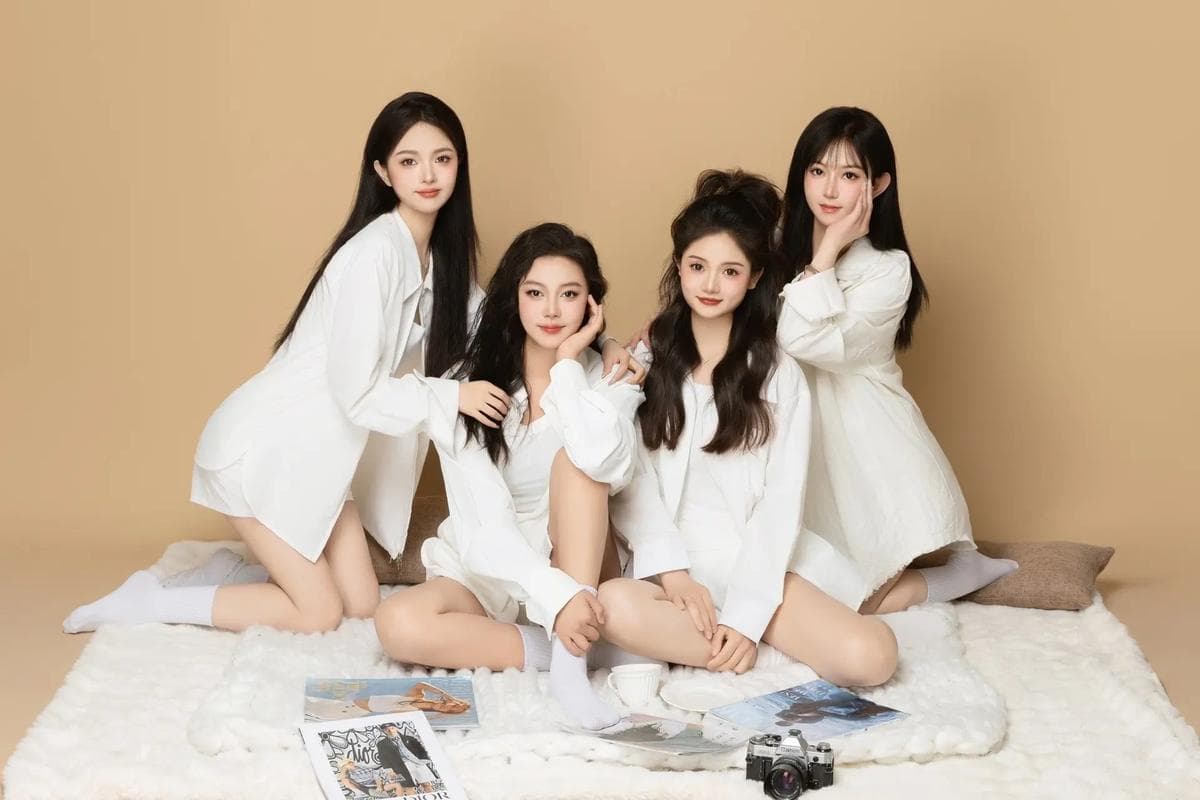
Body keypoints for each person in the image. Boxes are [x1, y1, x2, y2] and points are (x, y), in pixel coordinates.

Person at [63, 92, 498, 634]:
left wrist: (601, 351)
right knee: (320, 614)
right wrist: (452, 396)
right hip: (262, 451)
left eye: (443, 158)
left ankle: (226, 574)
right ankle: (149, 602)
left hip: (317, 462)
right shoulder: (372, 255)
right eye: (409, 161)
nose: (428, 174)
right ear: (383, 172)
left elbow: (495, 325)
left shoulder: (440, 257)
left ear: (460, 163)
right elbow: (357, 394)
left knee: (363, 604)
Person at [600, 170, 897, 688]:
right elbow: (630, 477)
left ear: (756, 277)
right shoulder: (648, 355)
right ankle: (738, 648)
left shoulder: (778, 371)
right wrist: (672, 573)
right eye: (697, 267)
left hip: (756, 564)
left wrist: (747, 612)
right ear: (679, 266)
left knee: (871, 656)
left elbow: (783, 499)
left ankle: (733, 642)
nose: (710, 285)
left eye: (730, 271)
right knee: (614, 606)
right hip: (667, 572)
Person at [374, 223, 642, 730]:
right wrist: (554, 598)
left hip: (577, 562)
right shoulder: (468, 388)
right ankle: (583, 647)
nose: (551, 311)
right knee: (397, 622)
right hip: (494, 567)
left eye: (569, 295)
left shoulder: (611, 378)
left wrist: (569, 367)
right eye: (535, 293)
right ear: (513, 297)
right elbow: (482, 530)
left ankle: (569, 669)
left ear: (591, 304)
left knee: (577, 464)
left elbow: (610, 465)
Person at [775, 107, 1017, 613]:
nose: (829, 190)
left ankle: (963, 574)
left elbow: (799, 339)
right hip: (792, 427)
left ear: (879, 183)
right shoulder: (778, 248)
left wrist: (828, 252)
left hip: (862, 437)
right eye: (817, 171)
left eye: (849, 175)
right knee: (786, 584)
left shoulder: (888, 269)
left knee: (852, 603)